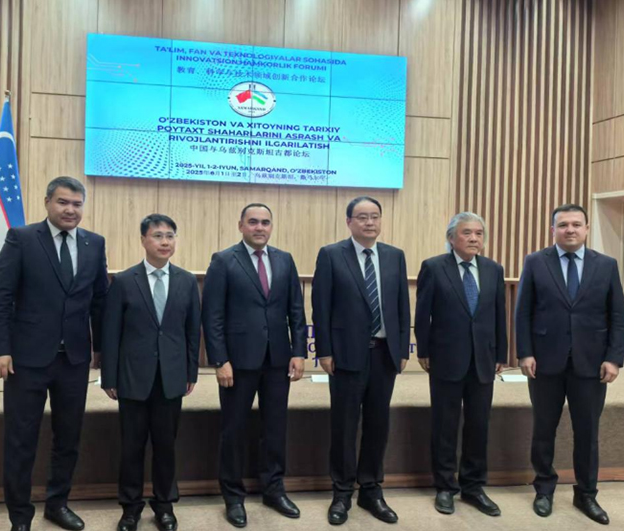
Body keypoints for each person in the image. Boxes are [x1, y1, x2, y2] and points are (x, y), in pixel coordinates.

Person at [0, 176, 108, 531]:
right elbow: (2, 297)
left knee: (68, 438)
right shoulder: (22, 238)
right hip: (26, 359)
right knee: (21, 439)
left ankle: (57, 504)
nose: (70, 210)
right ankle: (20, 516)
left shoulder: (94, 243)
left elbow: (99, 301)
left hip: (74, 360)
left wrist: (101, 349)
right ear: (47, 202)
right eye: (63, 202)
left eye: (77, 204)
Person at [516, 203, 624, 525]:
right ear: (553, 230)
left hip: (591, 364)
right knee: (543, 429)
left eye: (576, 224)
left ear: (586, 229)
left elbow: (617, 316)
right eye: (563, 225)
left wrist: (614, 358)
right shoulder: (535, 262)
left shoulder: (606, 265)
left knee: (587, 432)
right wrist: (525, 352)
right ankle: (544, 489)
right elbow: (523, 312)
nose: (570, 230)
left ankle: (587, 493)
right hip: (544, 361)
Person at [201, 203, 307, 528]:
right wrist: (220, 360)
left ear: (271, 226)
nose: (259, 227)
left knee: (275, 428)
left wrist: (299, 351)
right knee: (233, 430)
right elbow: (212, 315)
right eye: (253, 222)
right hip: (237, 362)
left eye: (265, 222)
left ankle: (273, 489)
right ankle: (233, 496)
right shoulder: (223, 260)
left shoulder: (284, 259)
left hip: (277, 359)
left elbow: (296, 310)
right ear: (241, 225)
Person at [311, 196, 410, 525]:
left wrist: (402, 349)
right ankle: (341, 492)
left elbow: (402, 306)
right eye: (362, 217)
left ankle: (371, 489)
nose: (369, 222)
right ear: (349, 222)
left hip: (384, 354)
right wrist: (324, 350)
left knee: (378, 424)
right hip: (345, 355)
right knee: (344, 425)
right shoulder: (331, 255)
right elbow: (321, 307)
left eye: (375, 216)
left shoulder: (395, 256)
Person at [101, 214, 201, 531]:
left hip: (171, 377)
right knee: (132, 447)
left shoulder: (187, 281)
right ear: (143, 240)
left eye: (170, 236)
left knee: (165, 446)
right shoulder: (124, 281)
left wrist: (191, 372)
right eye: (158, 236)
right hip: (132, 377)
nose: (165, 242)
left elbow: (192, 332)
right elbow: (111, 333)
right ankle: (130, 508)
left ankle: (164, 505)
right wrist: (109, 377)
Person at [414, 212, 507, 517]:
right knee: (445, 425)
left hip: (483, 359)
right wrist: (423, 350)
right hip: (446, 358)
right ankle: (444, 486)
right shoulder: (434, 267)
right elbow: (423, 313)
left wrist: (501, 353)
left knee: (479, 425)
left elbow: (499, 315)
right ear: (451, 237)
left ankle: (473, 486)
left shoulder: (493, 269)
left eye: (479, 233)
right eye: (467, 233)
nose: (474, 238)